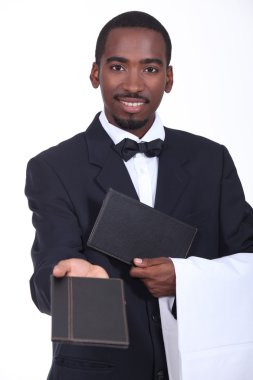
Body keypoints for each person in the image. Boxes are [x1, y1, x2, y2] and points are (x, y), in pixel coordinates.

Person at [25, 10, 253, 380]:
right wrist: (68, 281)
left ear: (169, 77)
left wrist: (186, 277)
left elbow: (248, 261)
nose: (133, 84)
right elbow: (44, 283)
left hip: (200, 367)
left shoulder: (213, 161)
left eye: (149, 69)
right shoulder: (53, 167)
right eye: (118, 67)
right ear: (95, 73)